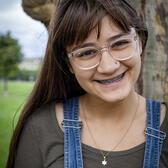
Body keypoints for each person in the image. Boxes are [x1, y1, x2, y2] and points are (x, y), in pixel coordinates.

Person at [6, 0, 168, 167]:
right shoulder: (40, 128)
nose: (108, 66)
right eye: (87, 52)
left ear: (140, 43)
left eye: (120, 43)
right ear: (68, 64)